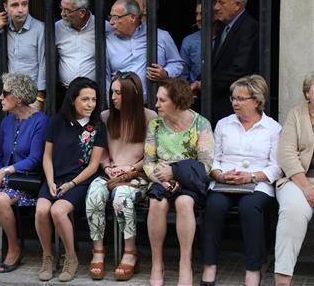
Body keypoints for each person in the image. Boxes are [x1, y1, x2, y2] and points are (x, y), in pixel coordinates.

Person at [201, 75, 282, 286]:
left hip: (258, 183)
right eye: (233, 98)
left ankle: (253, 269)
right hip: (223, 181)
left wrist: (252, 176)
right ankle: (209, 266)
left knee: (250, 207)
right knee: (214, 206)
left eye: (241, 98)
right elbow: (213, 159)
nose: (235, 103)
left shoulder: (273, 128)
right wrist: (218, 174)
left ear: (256, 101)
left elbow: (276, 167)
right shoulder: (223, 124)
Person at [85, 71, 156, 281]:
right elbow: (102, 151)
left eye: (118, 93)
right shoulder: (106, 116)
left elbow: (153, 153)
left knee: (122, 197)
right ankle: (98, 250)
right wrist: (107, 168)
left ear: (132, 94)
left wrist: (131, 168)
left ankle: (130, 251)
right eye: (112, 92)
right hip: (111, 172)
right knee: (94, 195)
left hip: (138, 174)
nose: (113, 97)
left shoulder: (150, 117)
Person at [144, 78, 214, 286]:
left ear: (177, 101)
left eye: (162, 100)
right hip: (160, 179)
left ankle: (186, 264)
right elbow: (148, 162)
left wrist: (176, 173)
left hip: (189, 181)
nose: (156, 105)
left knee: (184, 203)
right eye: (157, 100)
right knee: (157, 203)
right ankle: (157, 263)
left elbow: (206, 166)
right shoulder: (155, 124)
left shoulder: (201, 124)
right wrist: (161, 180)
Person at [36, 77, 106, 282]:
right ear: (73, 100)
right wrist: (50, 180)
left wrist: (72, 183)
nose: (90, 104)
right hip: (54, 178)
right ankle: (47, 256)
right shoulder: (57, 122)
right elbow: (47, 156)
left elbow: (94, 165)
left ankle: (71, 257)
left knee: (58, 211)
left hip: (80, 181)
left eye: (93, 100)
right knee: (41, 210)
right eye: (85, 99)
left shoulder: (98, 127)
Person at [0, 72, 48, 273]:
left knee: (0, 200)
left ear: (18, 98)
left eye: (5, 93)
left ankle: (14, 246)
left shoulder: (40, 121)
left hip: (27, 181)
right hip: (5, 180)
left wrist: (5, 172)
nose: (0, 97)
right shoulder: (7, 122)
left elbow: (34, 159)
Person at [274, 73, 314, 286]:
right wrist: (307, 187)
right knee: (293, 212)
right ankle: (283, 279)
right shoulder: (296, 115)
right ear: (307, 93)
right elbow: (287, 154)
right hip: (297, 180)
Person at [106, 0, 183, 103]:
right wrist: (109, 104)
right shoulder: (108, 41)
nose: (111, 22)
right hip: (120, 106)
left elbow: (177, 64)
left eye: (116, 17)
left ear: (132, 17)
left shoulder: (160, 36)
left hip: (152, 104)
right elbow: (105, 77)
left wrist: (165, 73)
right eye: (111, 17)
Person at [0, 0, 46, 109]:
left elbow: (44, 65)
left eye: (24, 4)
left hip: (31, 97)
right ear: (5, 7)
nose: (21, 9)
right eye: (15, 5)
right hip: (10, 95)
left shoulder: (40, 29)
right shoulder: (4, 29)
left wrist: (39, 99)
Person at [212, 0, 258, 126]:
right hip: (219, 104)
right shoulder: (225, 27)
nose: (216, 7)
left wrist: (206, 84)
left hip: (235, 105)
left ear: (237, 5)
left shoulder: (249, 27)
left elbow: (240, 69)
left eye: (221, 3)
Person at [55, 0, 96, 108]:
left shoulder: (103, 27)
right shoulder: (56, 28)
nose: (62, 14)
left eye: (67, 10)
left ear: (82, 12)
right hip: (64, 93)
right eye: (61, 8)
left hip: (93, 94)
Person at [179, 0, 221, 97]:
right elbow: (183, 75)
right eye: (196, 14)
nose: (198, 18)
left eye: (202, 14)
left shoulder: (227, 37)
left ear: (216, 14)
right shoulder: (189, 41)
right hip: (196, 97)